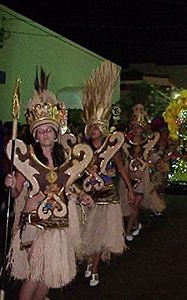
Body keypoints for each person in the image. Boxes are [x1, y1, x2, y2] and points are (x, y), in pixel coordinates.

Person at [4, 70, 93, 300]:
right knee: (35, 274)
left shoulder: (64, 158)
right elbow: (16, 194)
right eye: (40, 131)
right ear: (35, 134)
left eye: (48, 130)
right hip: (34, 223)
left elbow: (67, 186)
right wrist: (13, 184)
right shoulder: (28, 158)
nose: (44, 134)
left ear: (55, 133)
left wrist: (82, 195)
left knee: (48, 276)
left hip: (57, 224)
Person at [79, 61, 135, 287]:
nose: (94, 131)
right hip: (88, 196)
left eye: (97, 128)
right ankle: (90, 264)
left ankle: (93, 268)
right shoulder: (82, 151)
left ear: (102, 129)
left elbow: (121, 168)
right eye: (91, 128)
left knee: (101, 235)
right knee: (87, 234)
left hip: (108, 197)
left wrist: (129, 190)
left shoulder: (112, 148)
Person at [120, 104, 165, 242]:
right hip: (129, 178)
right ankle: (136, 224)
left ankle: (127, 231)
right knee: (131, 205)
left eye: (139, 127)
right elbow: (120, 159)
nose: (136, 130)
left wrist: (159, 162)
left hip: (142, 179)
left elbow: (153, 156)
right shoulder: (126, 144)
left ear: (143, 129)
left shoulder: (147, 145)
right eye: (134, 127)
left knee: (135, 204)